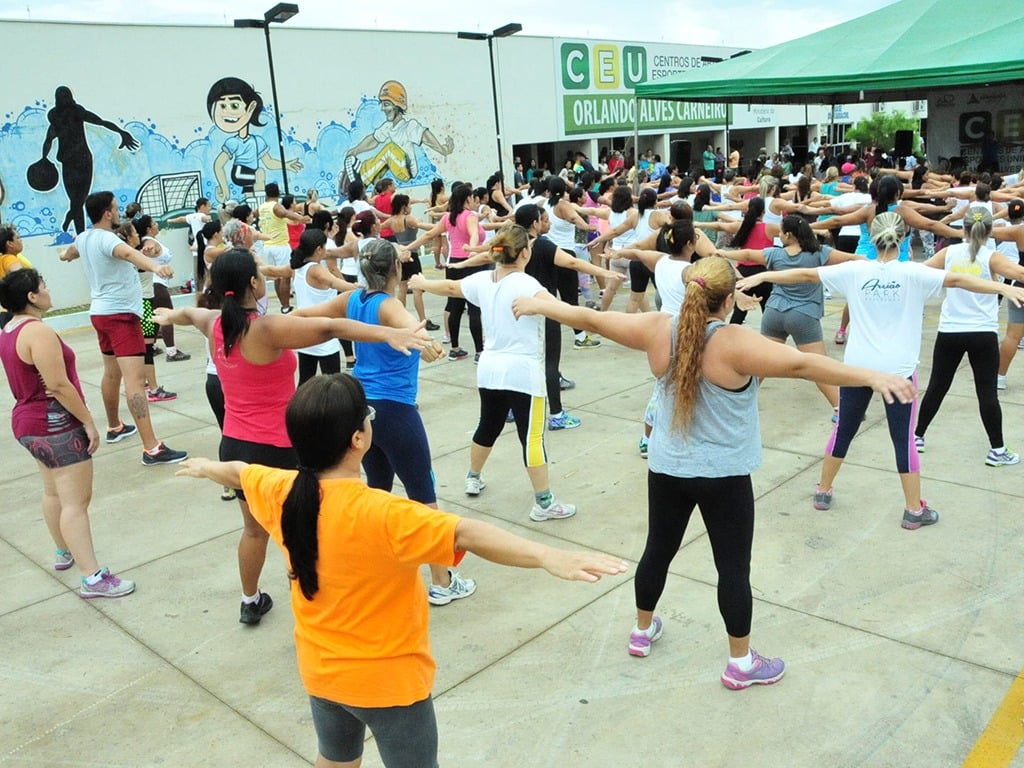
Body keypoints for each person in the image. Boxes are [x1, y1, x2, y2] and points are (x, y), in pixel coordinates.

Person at [175, 373, 627, 767]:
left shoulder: (282, 489)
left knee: (335, 758)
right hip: (389, 684)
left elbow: (240, 471)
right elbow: (466, 533)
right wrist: (549, 556)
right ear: (358, 439)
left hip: (321, 671)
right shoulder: (384, 513)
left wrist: (205, 467)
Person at [510, 255, 915, 688]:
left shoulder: (657, 328)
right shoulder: (735, 342)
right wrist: (872, 376)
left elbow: (589, 318)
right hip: (723, 475)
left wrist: (543, 305)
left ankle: (642, 630)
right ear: (726, 300)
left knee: (657, 551)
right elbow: (802, 365)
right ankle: (740, 664)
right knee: (733, 569)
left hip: (668, 468)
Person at [154, 248, 434, 624]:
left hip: (234, 445)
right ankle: (318, 606)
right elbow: (331, 328)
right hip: (280, 447)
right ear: (253, 283)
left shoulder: (215, 323)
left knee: (254, 530)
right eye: (259, 271)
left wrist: (170, 314)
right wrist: (389, 332)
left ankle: (250, 601)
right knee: (303, 533)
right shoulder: (265, 329)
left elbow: (190, 313)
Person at [736, 212, 1024, 528]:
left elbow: (806, 275)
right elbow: (956, 279)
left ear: (872, 238)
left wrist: (764, 276)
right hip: (896, 372)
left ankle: (823, 489)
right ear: (902, 239)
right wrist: (1005, 289)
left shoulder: (855, 270)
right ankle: (914, 509)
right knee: (903, 439)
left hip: (857, 368)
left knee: (843, 428)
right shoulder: (913, 273)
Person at [294, 239, 475, 604]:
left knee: (377, 490)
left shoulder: (354, 299)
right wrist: (426, 342)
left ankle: (379, 564)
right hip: (394, 412)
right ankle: (441, 582)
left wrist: (268, 321)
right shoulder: (389, 306)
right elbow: (411, 328)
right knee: (424, 497)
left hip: (362, 412)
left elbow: (308, 316)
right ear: (394, 270)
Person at [411, 225, 577, 521]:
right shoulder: (528, 284)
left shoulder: (483, 280)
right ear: (525, 253)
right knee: (533, 438)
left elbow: (450, 288)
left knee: (488, 424)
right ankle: (544, 503)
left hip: (489, 369)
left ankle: (473, 476)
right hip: (523, 372)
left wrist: (421, 281)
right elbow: (562, 311)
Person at [0, 269, 135, 598]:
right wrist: (88, 421)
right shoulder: (38, 332)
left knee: (53, 491)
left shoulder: (9, 329)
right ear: (31, 297)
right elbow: (58, 385)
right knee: (76, 502)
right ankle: (93, 577)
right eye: (43, 286)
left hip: (27, 423)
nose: (48, 290)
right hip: (55, 424)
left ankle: (64, 552)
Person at [58, 191, 187, 466]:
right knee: (134, 382)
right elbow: (128, 253)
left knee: (111, 373)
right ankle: (152, 448)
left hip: (100, 314)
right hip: (121, 316)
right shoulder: (107, 238)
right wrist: (157, 266)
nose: (118, 212)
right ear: (107, 213)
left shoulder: (84, 237)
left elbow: (66, 254)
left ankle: (115, 426)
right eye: (115, 208)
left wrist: (65, 254)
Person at [717, 215, 863, 418]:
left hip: (774, 312)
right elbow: (851, 258)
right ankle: (840, 408)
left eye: (781, 231)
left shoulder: (774, 254)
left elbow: (749, 255)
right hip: (803, 316)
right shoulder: (820, 253)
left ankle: (734, 403)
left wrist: (720, 252)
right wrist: (878, 262)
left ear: (789, 235)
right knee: (818, 365)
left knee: (761, 363)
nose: (778, 234)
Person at [914, 207, 1024, 466]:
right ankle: (997, 450)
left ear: (963, 229)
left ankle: (917, 436)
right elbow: (1019, 274)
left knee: (937, 387)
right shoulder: (992, 257)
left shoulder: (948, 253)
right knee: (987, 393)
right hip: (982, 334)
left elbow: (919, 272)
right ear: (989, 232)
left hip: (950, 330)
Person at [258, 182, 309, 313]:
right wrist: (301, 218)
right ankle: (286, 306)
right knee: (285, 276)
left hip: (267, 246)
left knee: (276, 275)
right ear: (278, 193)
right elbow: (285, 213)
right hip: (280, 245)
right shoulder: (276, 206)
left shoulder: (261, 207)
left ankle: (283, 304)